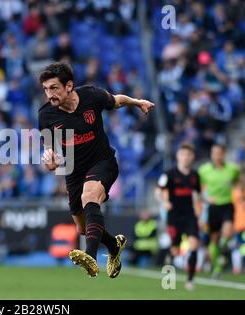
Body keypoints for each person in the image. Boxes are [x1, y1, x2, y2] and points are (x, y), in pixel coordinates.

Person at [38, 62, 154, 277]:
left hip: (102, 162)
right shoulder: (46, 115)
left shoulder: (92, 96)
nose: (49, 94)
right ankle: (113, 246)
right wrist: (49, 161)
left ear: (69, 86)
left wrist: (137, 102)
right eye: (46, 89)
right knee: (83, 228)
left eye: (54, 88)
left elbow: (117, 101)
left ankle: (89, 255)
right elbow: (48, 150)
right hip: (73, 171)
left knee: (89, 195)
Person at [157, 143, 203, 290]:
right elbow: (159, 190)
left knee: (194, 244)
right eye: (183, 154)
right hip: (174, 215)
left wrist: (198, 208)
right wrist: (164, 202)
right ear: (178, 156)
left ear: (192, 157)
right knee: (175, 249)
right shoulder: (169, 174)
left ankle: (190, 280)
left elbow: (197, 194)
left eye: (188, 155)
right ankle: (168, 276)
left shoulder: (195, 176)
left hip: (189, 214)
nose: (186, 157)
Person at [198, 144, 243, 278]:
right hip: (213, 207)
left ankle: (223, 251)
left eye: (219, 153)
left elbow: (239, 182)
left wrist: (240, 195)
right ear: (211, 154)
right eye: (214, 153)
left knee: (227, 233)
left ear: (224, 154)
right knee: (214, 239)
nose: (216, 156)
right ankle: (216, 267)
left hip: (227, 205)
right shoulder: (204, 170)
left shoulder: (233, 169)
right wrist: (206, 198)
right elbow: (198, 189)